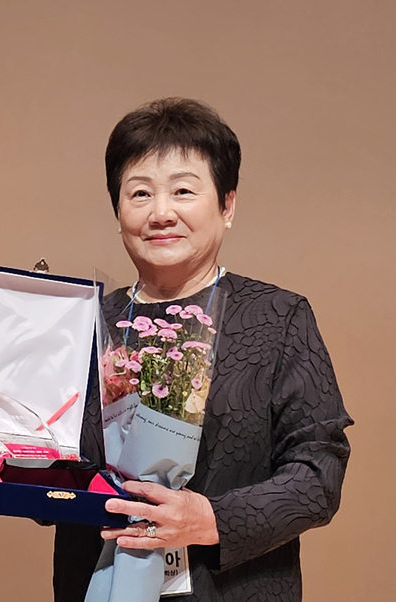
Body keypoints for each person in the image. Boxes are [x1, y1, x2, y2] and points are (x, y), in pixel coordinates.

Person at [52, 98, 353, 601]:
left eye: (184, 191)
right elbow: (48, 475)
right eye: (140, 193)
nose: (161, 212)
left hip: (234, 587)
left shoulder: (277, 317)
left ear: (227, 204)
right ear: (118, 209)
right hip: (96, 584)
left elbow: (318, 474)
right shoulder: (84, 324)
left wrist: (213, 519)